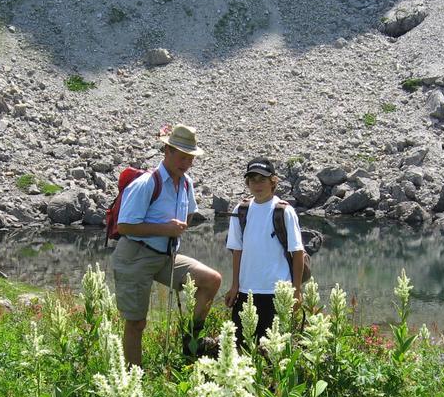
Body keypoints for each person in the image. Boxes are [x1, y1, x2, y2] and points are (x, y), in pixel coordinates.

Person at [112, 123, 222, 367]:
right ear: (167, 151)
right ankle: (132, 378)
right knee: (136, 322)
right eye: (182, 157)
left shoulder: (186, 183)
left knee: (211, 280)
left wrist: (176, 229)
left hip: (165, 256)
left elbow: (190, 214)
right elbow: (125, 227)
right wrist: (165, 229)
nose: (186, 163)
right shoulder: (146, 183)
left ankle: (191, 343)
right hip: (135, 255)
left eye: (190, 158)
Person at [224, 157, 306, 345]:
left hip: (277, 293)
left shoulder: (284, 212)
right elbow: (237, 250)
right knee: (241, 347)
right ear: (247, 183)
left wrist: (296, 291)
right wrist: (235, 285)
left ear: (273, 181)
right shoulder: (241, 210)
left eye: (262, 179)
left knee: (273, 351)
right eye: (252, 179)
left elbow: (298, 252)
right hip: (246, 291)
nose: (257, 184)